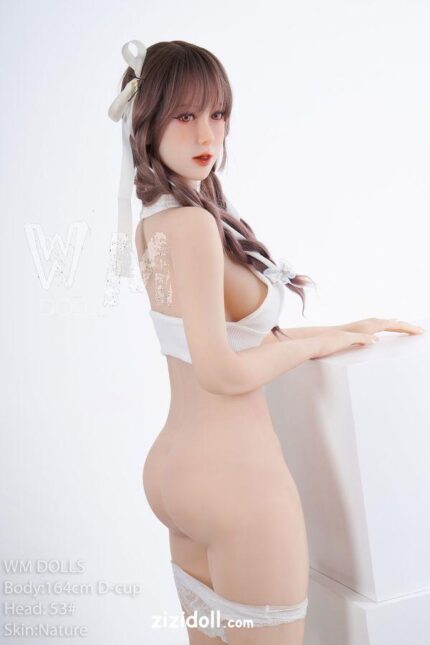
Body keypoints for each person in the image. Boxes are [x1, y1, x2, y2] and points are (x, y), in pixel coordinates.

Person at [107, 39, 426, 645]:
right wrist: (307, 348)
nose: (207, 133)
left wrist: (340, 333)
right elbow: (222, 371)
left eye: (218, 113)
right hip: (237, 483)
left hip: (175, 477)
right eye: (185, 115)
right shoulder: (194, 226)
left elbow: (238, 340)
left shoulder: (158, 223)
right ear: (147, 122)